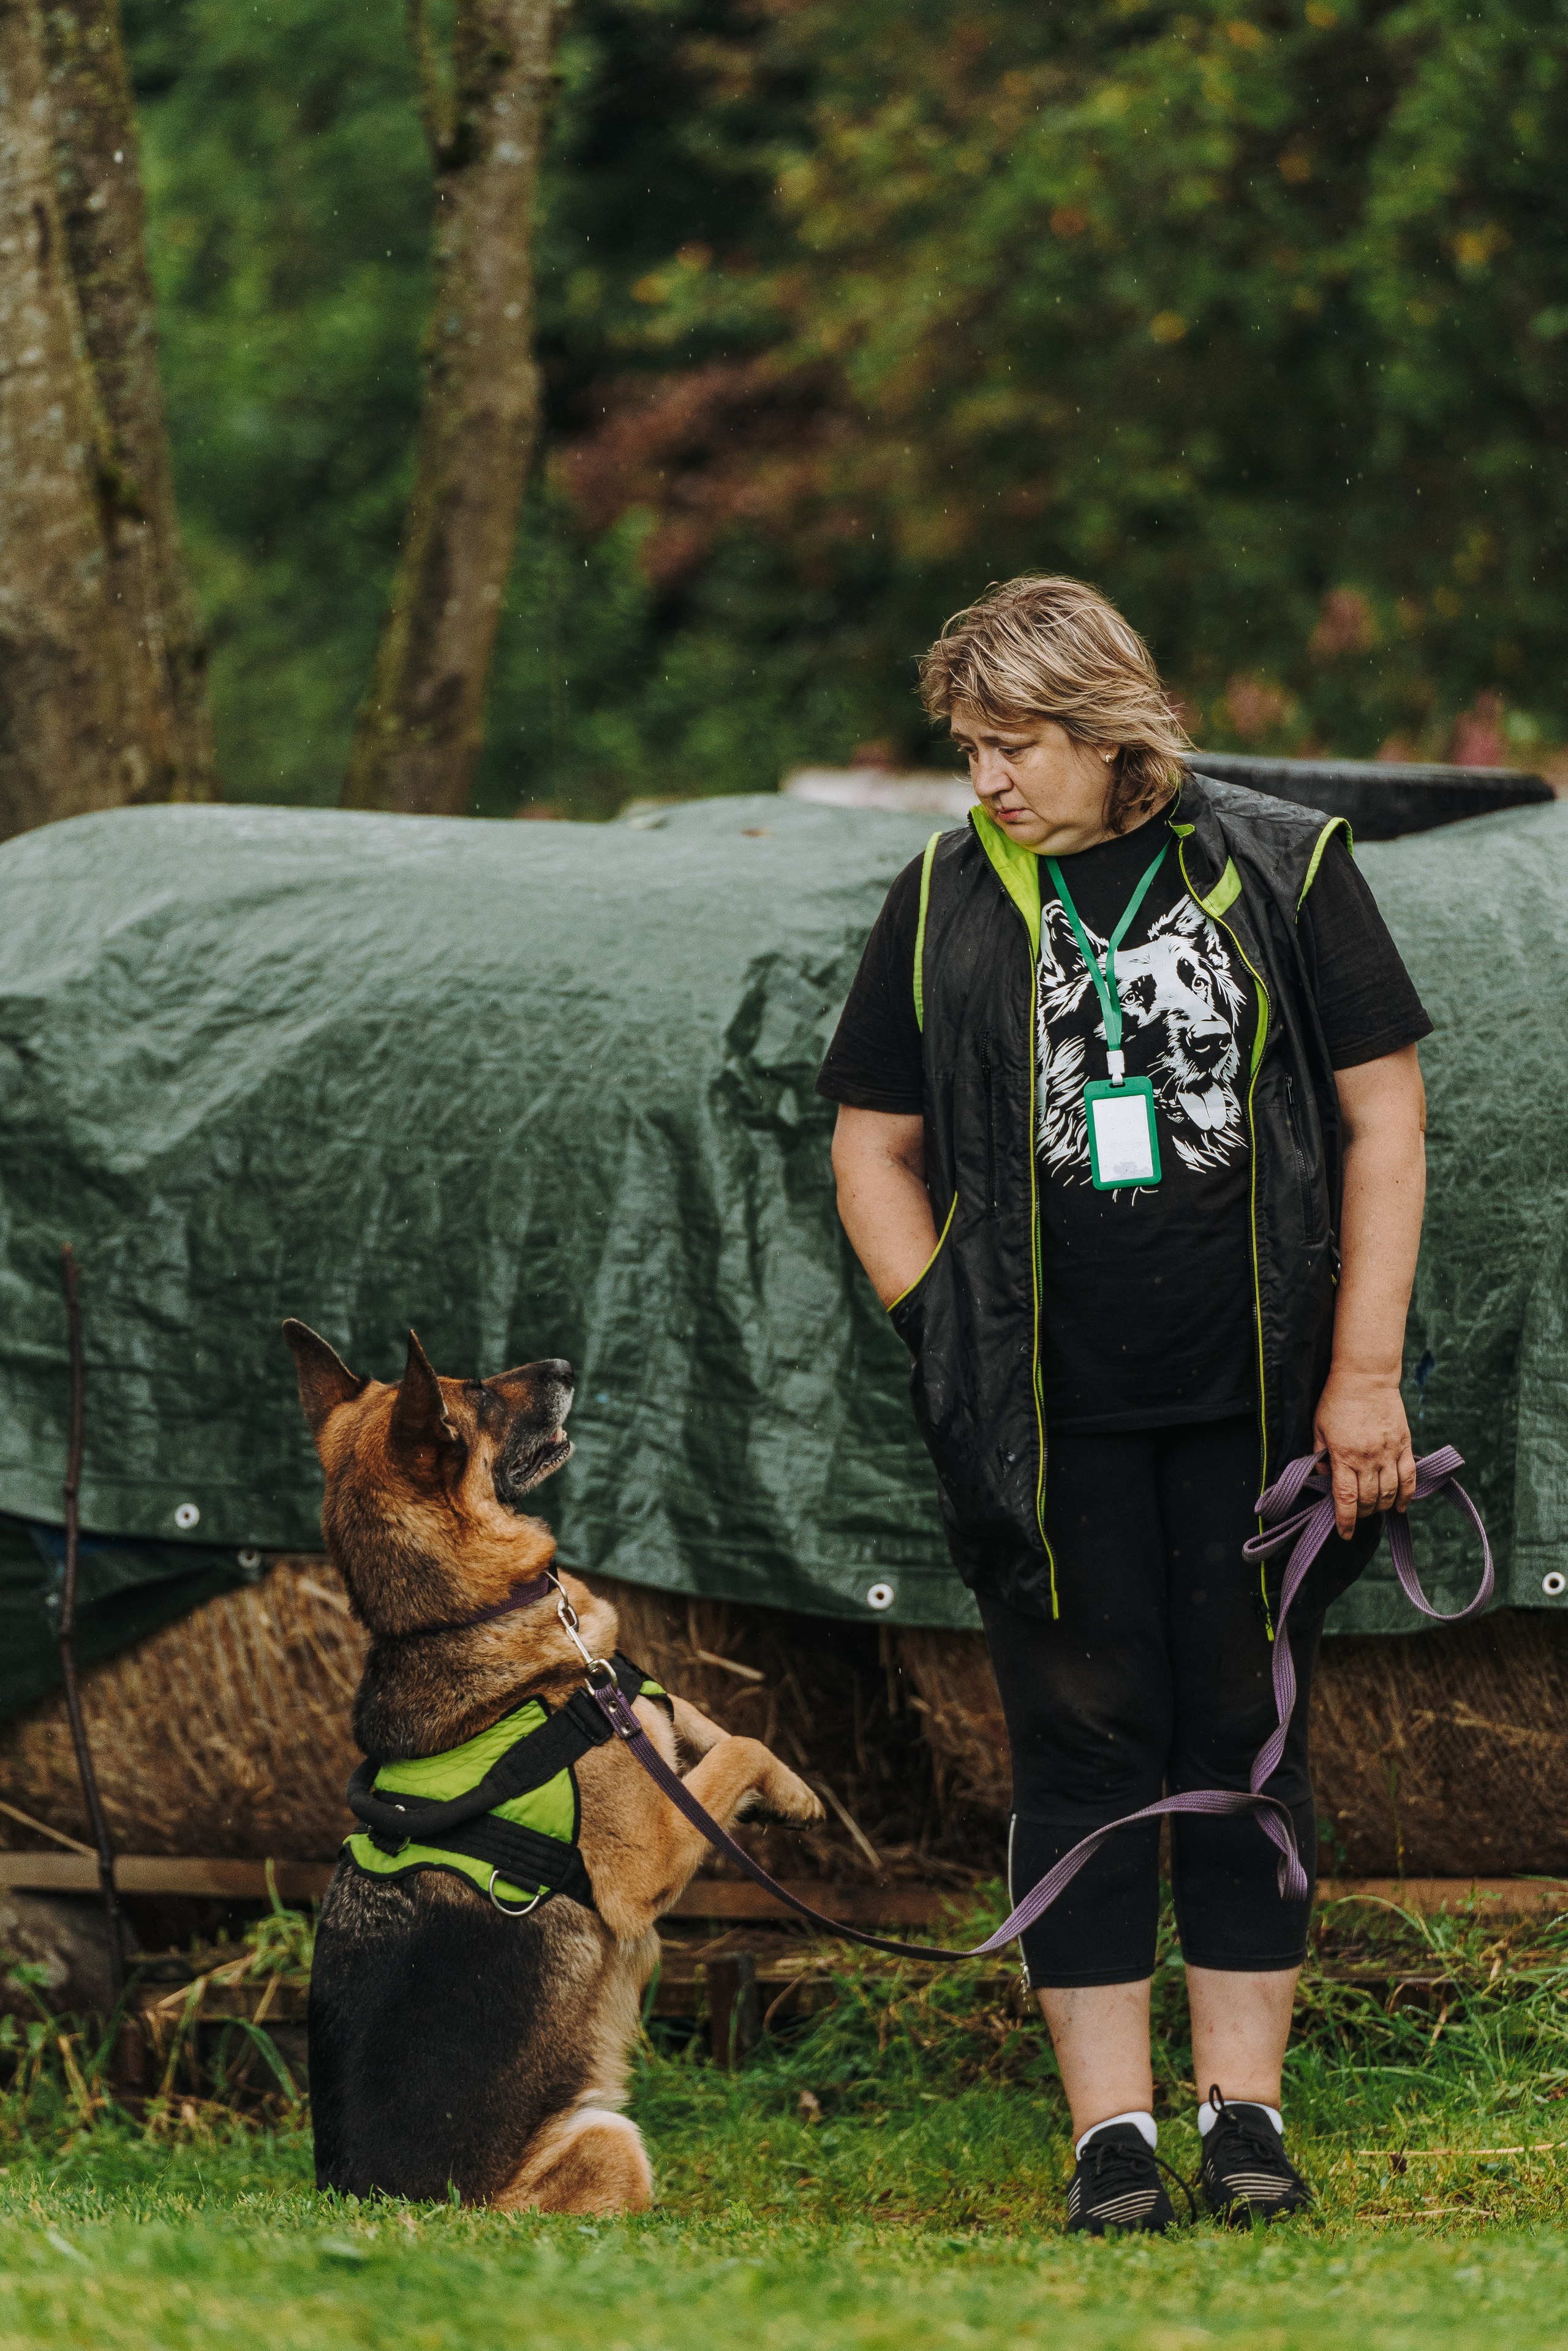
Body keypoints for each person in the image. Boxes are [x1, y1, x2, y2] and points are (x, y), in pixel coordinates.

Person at [818, 576, 1431, 2233]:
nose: (987, 780)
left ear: (1109, 733)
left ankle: (1248, 2122)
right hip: (1044, 1425)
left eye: (1016, 745)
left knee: (1245, 1740)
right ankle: (1115, 2142)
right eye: (969, 749)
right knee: (1080, 1749)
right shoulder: (942, 894)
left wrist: (1364, 1377)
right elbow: (869, 1143)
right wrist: (942, 1326)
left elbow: (1384, 1119)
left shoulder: (1288, 867)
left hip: (1262, 1410)